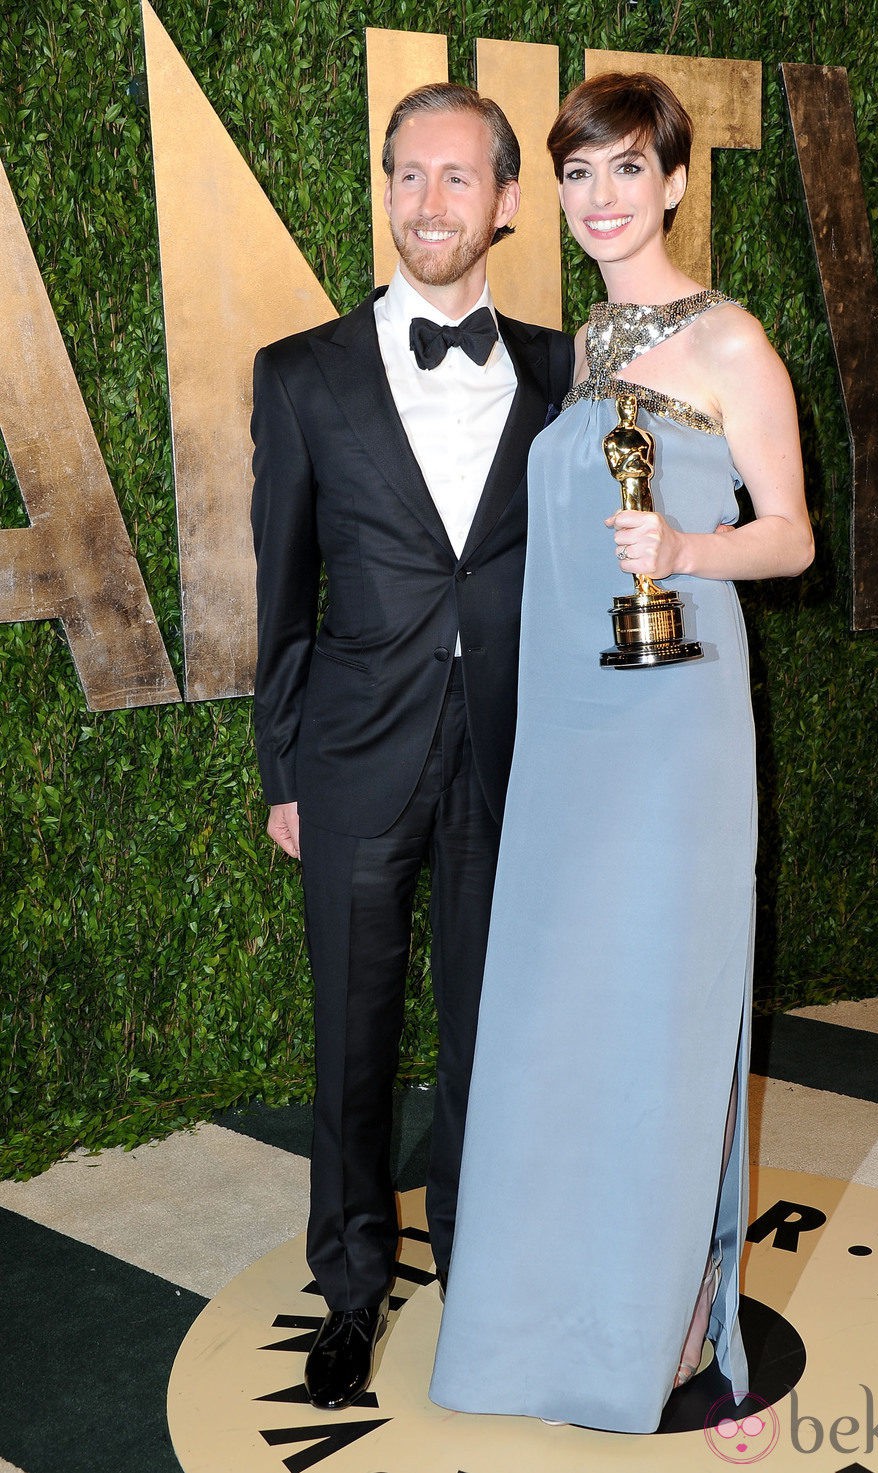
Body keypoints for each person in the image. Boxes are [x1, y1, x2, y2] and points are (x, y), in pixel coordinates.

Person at [430, 70, 814, 1433]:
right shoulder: (588, 342)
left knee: (659, 1003)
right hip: (575, 731)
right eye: (578, 174)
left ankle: (664, 1318)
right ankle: (552, 1307)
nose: (601, 199)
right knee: (564, 1009)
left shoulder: (729, 343)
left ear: (674, 182)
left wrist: (691, 549)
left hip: (675, 726)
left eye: (625, 171)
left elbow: (794, 533)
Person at [250, 82, 573, 1412]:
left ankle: (490, 1268)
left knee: (500, 1031)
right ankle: (348, 1288)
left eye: (458, 178)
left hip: (516, 752)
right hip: (355, 757)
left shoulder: (565, 368)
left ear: (505, 200)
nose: (429, 203)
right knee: (353, 1036)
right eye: (408, 176)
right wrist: (283, 772)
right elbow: (280, 591)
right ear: (385, 193)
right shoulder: (301, 370)